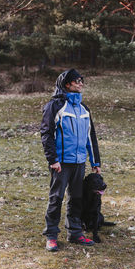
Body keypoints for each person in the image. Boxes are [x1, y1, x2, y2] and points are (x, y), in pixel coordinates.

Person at [40, 68, 101, 252]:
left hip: (80, 162)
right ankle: (51, 235)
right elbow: (46, 134)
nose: (81, 83)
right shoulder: (55, 106)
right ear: (67, 84)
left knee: (77, 198)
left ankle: (74, 232)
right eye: (77, 81)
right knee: (56, 198)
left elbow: (91, 137)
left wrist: (95, 162)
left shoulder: (84, 109)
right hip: (61, 164)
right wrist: (53, 159)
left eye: (82, 80)